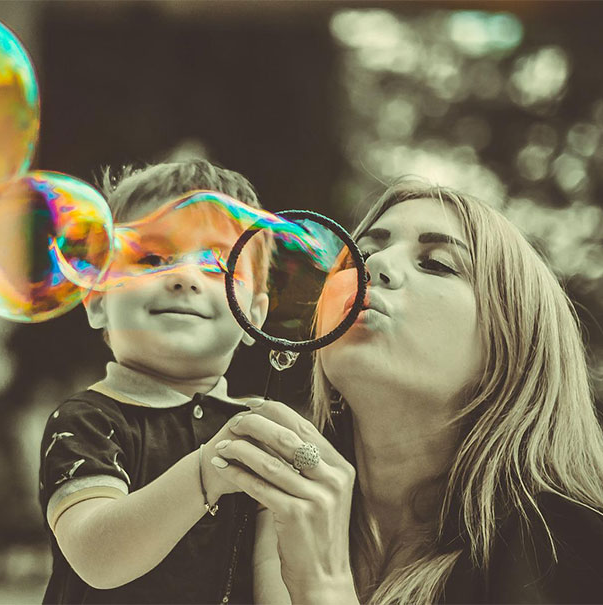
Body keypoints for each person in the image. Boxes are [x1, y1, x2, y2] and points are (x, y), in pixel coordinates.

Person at [210, 181, 603, 604]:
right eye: (359, 254)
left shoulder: (569, 553)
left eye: (436, 264)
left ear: (511, 347)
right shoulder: (237, 504)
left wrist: (322, 587)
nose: (374, 265)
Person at [38, 159, 283, 604]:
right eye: (152, 258)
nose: (184, 278)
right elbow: (98, 557)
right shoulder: (87, 421)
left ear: (255, 318)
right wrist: (208, 469)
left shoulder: (259, 430)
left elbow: (272, 578)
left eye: (215, 262)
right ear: (96, 303)